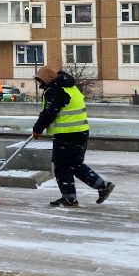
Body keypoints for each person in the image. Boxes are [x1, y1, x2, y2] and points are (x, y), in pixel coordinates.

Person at [32, 64, 114, 208]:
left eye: (41, 80)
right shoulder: (69, 86)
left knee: (61, 166)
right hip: (80, 132)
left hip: (67, 134)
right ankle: (102, 186)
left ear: (48, 79)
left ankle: (70, 199)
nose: (40, 83)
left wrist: (37, 129)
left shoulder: (56, 91)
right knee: (74, 165)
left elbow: (49, 113)